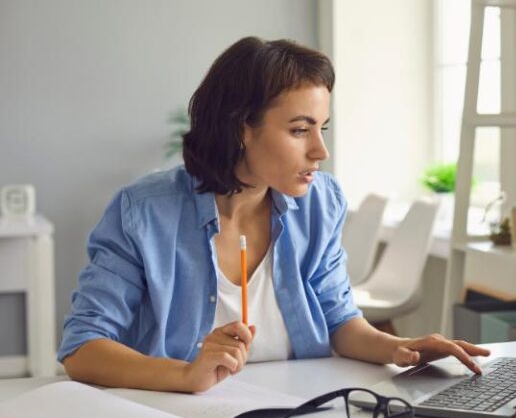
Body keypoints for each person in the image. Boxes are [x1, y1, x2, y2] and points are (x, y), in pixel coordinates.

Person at [59, 36, 490, 393]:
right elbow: (83, 347)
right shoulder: (145, 211)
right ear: (241, 127)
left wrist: (402, 348)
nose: (320, 151)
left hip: (296, 415)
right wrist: (185, 375)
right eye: (300, 130)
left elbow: (339, 320)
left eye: (322, 128)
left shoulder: (320, 201)